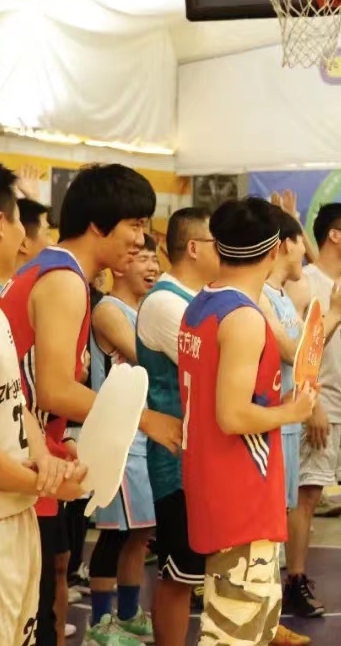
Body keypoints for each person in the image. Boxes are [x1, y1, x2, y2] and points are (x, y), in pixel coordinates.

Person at [0, 163, 178, 646]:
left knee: (41, 601)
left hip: (31, 453)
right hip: (14, 462)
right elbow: (54, 389)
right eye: (135, 225)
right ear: (98, 224)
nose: (140, 240)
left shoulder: (56, 272)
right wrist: (146, 419)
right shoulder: (64, 280)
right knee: (27, 617)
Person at [178, 197, 316, 646]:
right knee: (234, 635)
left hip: (215, 482)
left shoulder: (201, 304)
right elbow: (232, 414)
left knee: (247, 628)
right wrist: (291, 412)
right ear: (274, 250)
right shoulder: (243, 318)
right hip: (240, 490)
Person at [0, 161, 87, 646]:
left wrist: (44, 456)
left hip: (16, 515)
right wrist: (41, 481)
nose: (30, 239)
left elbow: (15, 399)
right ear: (1, 224)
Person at [263, 207, 341, 621]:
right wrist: (313, 404)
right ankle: (295, 580)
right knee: (306, 495)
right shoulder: (303, 283)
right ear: (333, 235)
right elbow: (298, 350)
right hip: (318, 406)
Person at [137, 206, 221, 646]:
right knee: (179, 574)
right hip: (177, 459)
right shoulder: (166, 303)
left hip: (211, 454)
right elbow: (217, 366)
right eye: (216, 242)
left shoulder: (204, 297)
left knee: (213, 571)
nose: (224, 250)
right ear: (193, 247)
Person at [85, 233, 160, 644]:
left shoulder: (145, 310)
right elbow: (149, 363)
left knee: (139, 532)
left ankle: (129, 614)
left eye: (155, 259)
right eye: (142, 257)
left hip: (145, 435)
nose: (152, 267)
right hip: (119, 440)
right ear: (120, 265)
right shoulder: (109, 310)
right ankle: (99, 624)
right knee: (114, 533)